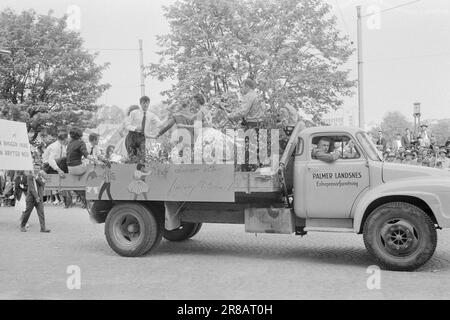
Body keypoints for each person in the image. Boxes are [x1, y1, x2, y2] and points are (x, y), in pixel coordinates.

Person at [227, 78, 266, 171]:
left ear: (247, 87)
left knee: (247, 152)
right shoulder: (258, 96)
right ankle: (257, 171)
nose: (241, 90)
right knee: (256, 151)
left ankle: (247, 174)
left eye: (242, 87)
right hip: (259, 126)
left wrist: (230, 116)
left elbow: (243, 111)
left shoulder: (249, 96)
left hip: (251, 126)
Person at [125, 96, 160, 162]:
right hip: (132, 136)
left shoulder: (151, 115)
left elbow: (159, 123)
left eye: (147, 103)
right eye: (144, 103)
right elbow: (127, 125)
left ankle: (142, 170)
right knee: (132, 157)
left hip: (142, 137)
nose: (146, 105)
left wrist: (168, 117)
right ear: (140, 103)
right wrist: (135, 128)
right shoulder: (134, 113)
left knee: (142, 157)